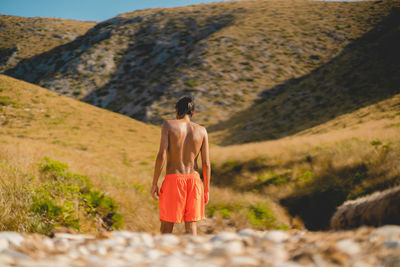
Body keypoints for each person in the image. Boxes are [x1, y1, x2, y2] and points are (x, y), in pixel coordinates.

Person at [151, 96, 210, 235]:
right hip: (194, 181)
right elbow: (206, 164)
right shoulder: (202, 131)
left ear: (177, 111)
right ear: (192, 114)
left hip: (174, 180)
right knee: (191, 228)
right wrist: (206, 189)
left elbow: (161, 156)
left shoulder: (168, 125)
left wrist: (154, 183)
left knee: (166, 227)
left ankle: (164, 254)